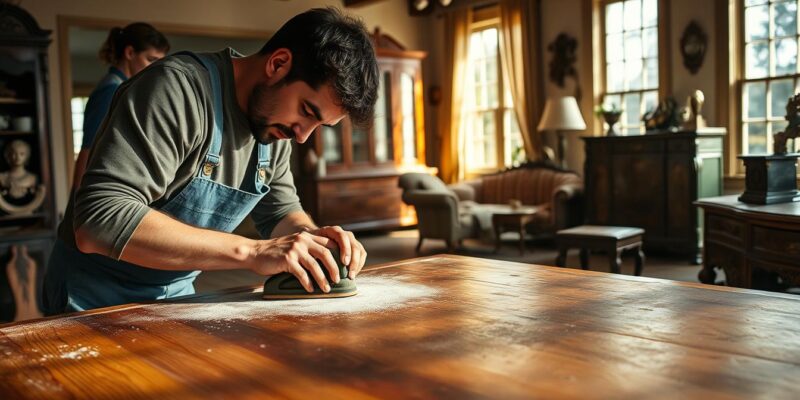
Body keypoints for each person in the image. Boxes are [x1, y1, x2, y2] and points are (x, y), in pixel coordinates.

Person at [43, 7, 378, 314]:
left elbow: (280, 213)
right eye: (307, 111)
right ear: (278, 64)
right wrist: (253, 252)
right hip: (92, 296)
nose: (302, 136)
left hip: (177, 293)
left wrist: (314, 242)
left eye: (320, 125)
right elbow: (99, 219)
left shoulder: (275, 128)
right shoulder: (176, 90)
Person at [71, 22, 170, 190]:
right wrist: (77, 197)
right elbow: (88, 148)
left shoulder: (127, 89)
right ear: (130, 53)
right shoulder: (111, 90)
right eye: (151, 60)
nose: (156, 69)